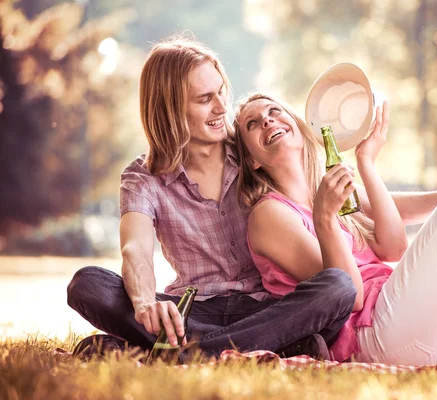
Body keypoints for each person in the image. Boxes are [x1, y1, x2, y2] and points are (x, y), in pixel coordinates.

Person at [66, 36, 357, 361]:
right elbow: (135, 249)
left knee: (338, 287)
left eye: (221, 92)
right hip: (190, 311)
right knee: (87, 284)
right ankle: (269, 347)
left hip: (268, 309)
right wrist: (146, 302)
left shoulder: (250, 149)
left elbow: (312, 181)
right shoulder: (143, 178)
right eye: (205, 99)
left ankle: (177, 354)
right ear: (171, 108)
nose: (221, 108)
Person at [233, 92, 437, 379]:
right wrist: (324, 218)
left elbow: (394, 248)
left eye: (274, 111)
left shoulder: (325, 191)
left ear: (297, 126)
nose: (268, 121)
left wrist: (366, 162)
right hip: (370, 336)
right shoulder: (269, 214)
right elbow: (349, 295)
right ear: (252, 161)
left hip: (408, 327)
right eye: (253, 123)